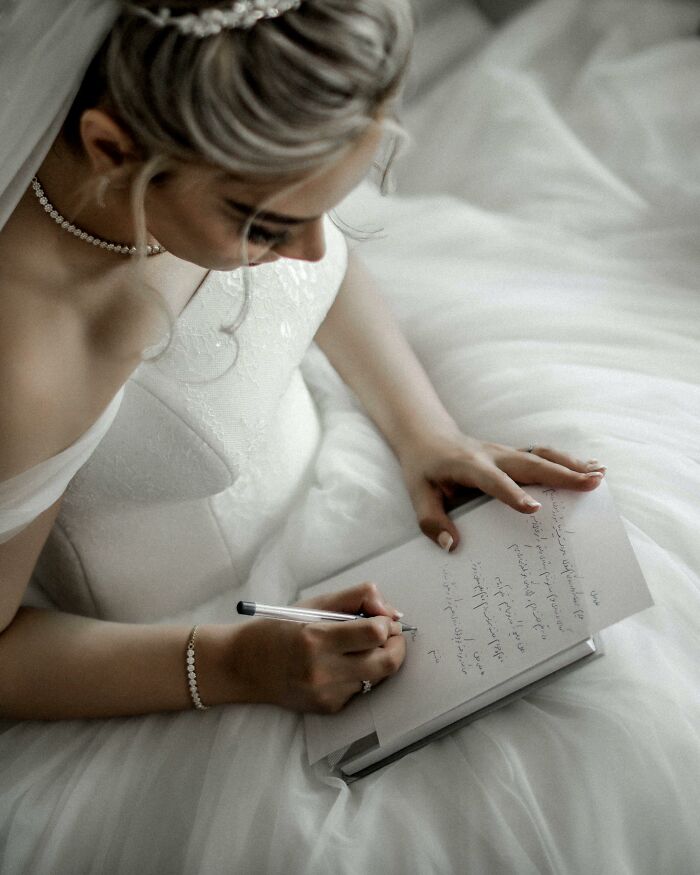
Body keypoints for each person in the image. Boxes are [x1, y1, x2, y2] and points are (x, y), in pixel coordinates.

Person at [0, 0, 607, 723]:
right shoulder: (26, 366)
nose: (316, 250)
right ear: (112, 150)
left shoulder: (229, 141)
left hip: (351, 459)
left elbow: (315, 273)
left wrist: (426, 432)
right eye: (267, 226)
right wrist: (236, 664)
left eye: (331, 204)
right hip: (193, 644)